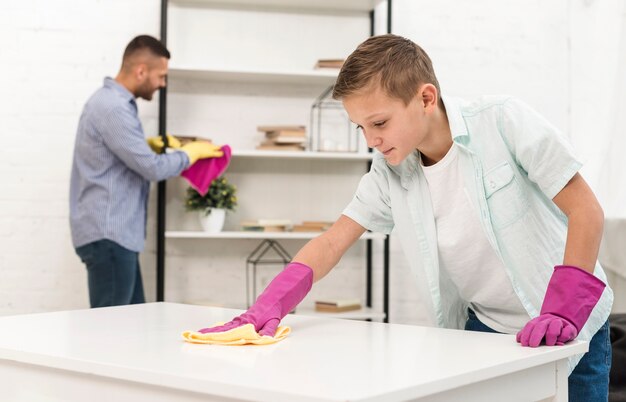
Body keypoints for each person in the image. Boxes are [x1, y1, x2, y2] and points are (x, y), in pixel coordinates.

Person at [197, 34, 613, 401]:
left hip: (574, 329)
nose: (371, 140)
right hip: (485, 334)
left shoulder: (503, 122)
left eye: (379, 122)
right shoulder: (389, 171)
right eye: (360, 127)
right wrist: (270, 304)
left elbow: (585, 210)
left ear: (426, 99)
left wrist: (563, 310)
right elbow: (332, 241)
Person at [70, 35, 222, 308]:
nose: (163, 83)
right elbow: (151, 168)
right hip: (110, 235)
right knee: (112, 331)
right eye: (161, 76)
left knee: (130, 326)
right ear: (141, 70)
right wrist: (190, 153)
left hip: (113, 236)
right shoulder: (114, 109)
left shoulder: (110, 104)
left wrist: (147, 146)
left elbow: (128, 160)